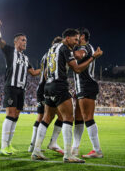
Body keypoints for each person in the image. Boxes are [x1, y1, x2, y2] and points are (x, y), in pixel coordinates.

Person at [31, 28, 103, 163]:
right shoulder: (65, 48)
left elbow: (45, 72)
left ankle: (36, 151)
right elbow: (77, 68)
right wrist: (93, 57)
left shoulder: (51, 49)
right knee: (68, 118)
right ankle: (69, 154)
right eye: (75, 39)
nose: (76, 42)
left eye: (78, 39)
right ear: (67, 38)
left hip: (48, 86)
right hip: (60, 86)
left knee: (46, 118)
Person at [0, 20, 40, 156]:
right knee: (10, 115)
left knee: (16, 116)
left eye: (26, 40)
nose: (25, 42)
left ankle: (9, 144)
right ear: (16, 42)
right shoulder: (9, 51)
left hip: (21, 90)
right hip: (11, 87)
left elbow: (33, 73)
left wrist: (47, 67)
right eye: (22, 40)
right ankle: (3, 146)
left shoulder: (26, 58)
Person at [28, 36, 64, 155]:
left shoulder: (46, 55)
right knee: (60, 116)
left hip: (42, 88)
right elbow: (47, 74)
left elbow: (42, 72)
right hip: (48, 88)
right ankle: (48, 143)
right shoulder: (56, 53)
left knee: (44, 116)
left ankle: (33, 145)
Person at [72, 27, 104, 158]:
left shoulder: (85, 48)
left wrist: (65, 50)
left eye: (77, 35)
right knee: (78, 118)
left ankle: (97, 150)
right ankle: (75, 148)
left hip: (86, 86)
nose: (75, 37)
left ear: (83, 37)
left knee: (87, 118)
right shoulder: (87, 48)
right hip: (81, 87)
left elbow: (79, 55)